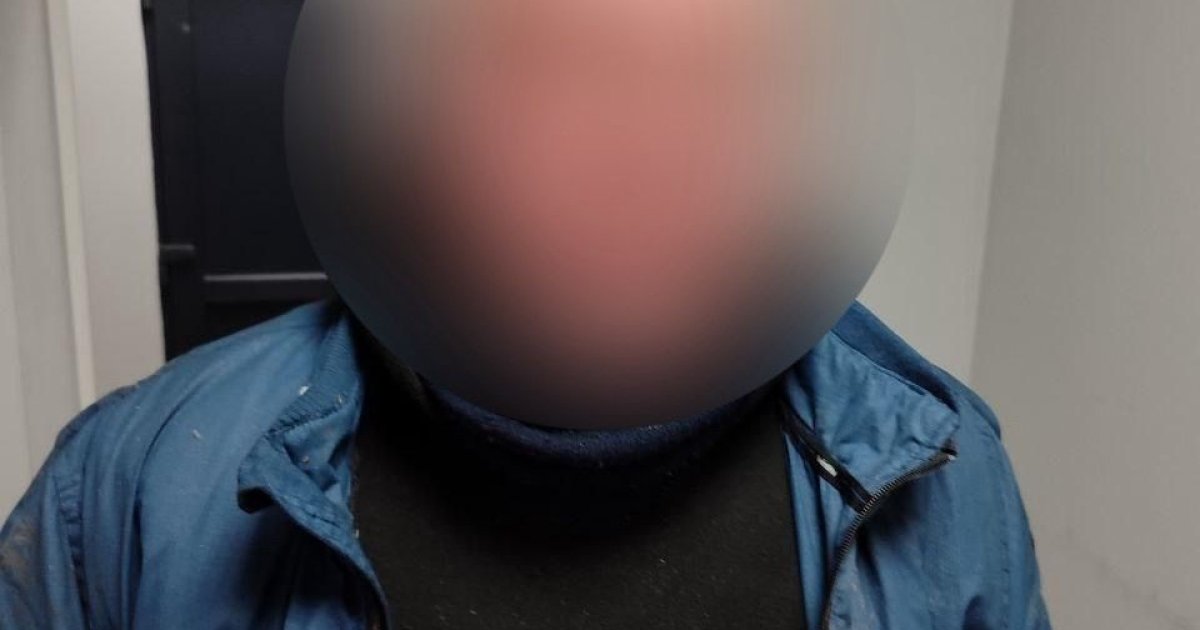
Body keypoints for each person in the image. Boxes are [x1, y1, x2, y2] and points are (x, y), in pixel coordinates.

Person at [0, 0, 1050, 628]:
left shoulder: (949, 476)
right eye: (557, 72)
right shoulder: (132, 488)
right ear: (419, 119)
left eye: (732, 87)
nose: (644, 158)